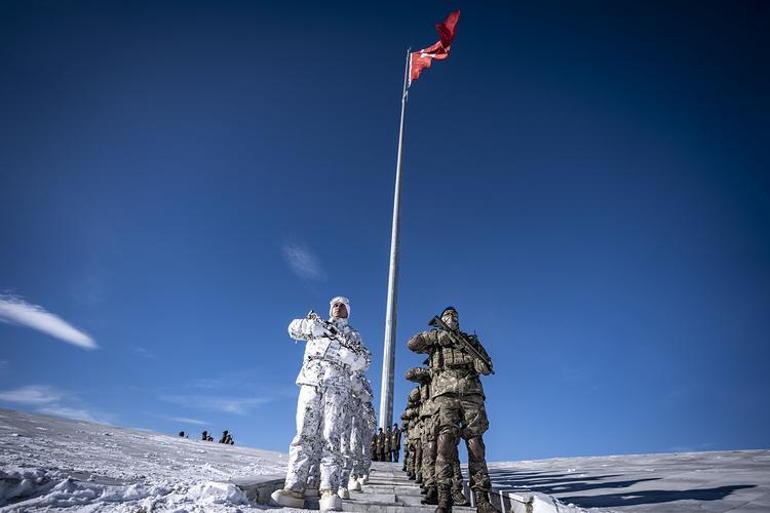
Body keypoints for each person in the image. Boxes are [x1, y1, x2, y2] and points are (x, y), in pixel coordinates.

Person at [271, 296, 371, 512]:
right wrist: (311, 326)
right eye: (334, 304)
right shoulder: (318, 325)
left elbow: (365, 361)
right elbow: (292, 328)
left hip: (338, 389)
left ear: (348, 311)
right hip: (311, 382)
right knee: (304, 435)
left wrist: (345, 355)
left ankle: (328, 489)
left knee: (330, 437)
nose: (337, 308)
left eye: (342, 305)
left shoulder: (352, 335)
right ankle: (294, 486)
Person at [407, 306, 498, 513]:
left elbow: (485, 368)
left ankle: (482, 499)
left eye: (454, 316)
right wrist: (438, 337)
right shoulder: (436, 341)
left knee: (476, 445)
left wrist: (477, 359)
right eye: (447, 316)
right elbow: (412, 344)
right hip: (444, 395)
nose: (451, 319)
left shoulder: (470, 341)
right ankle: (444, 497)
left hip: (471, 395)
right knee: (444, 444)